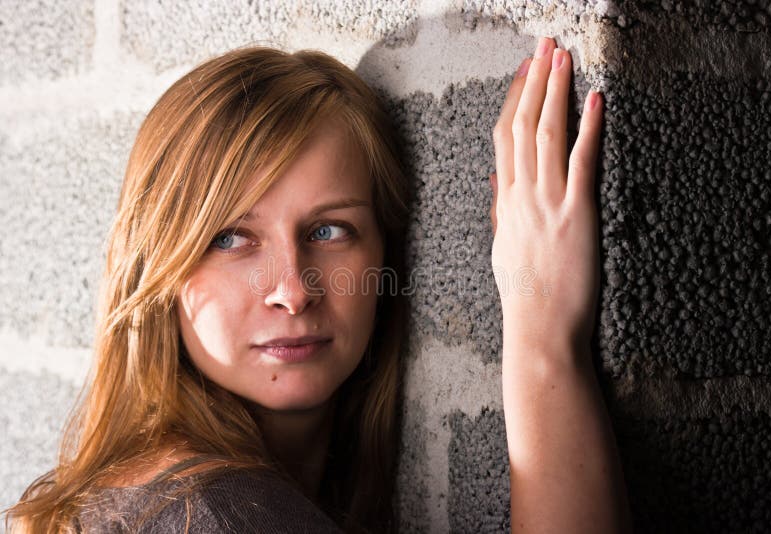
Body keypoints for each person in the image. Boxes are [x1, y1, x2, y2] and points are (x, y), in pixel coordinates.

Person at [5, 36, 631, 533]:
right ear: (157, 271)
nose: (294, 291)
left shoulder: (170, 495)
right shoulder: (213, 514)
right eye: (230, 239)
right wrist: (542, 332)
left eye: (330, 231)